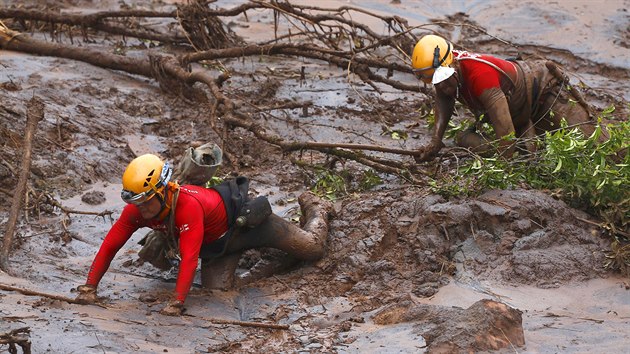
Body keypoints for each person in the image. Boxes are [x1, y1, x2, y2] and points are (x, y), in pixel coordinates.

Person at [74, 153, 333, 316]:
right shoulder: (137, 211)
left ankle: (316, 207)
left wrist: (176, 302)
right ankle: (278, 261)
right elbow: (110, 246)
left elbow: (189, 258)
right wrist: (89, 287)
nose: (142, 209)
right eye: (137, 202)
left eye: (147, 201)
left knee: (312, 249)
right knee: (217, 290)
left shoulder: (188, 207)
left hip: (247, 224)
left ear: (164, 191)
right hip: (219, 247)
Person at [410, 34, 605, 161]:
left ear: (453, 64)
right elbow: (444, 100)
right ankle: (529, 144)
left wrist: (502, 172)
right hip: (519, 110)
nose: (442, 86)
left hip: (544, 94)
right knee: (465, 139)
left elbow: (506, 131)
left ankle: (528, 146)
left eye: (443, 79)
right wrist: (436, 140)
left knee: (598, 149)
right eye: (434, 81)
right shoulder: (444, 76)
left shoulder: (480, 76)